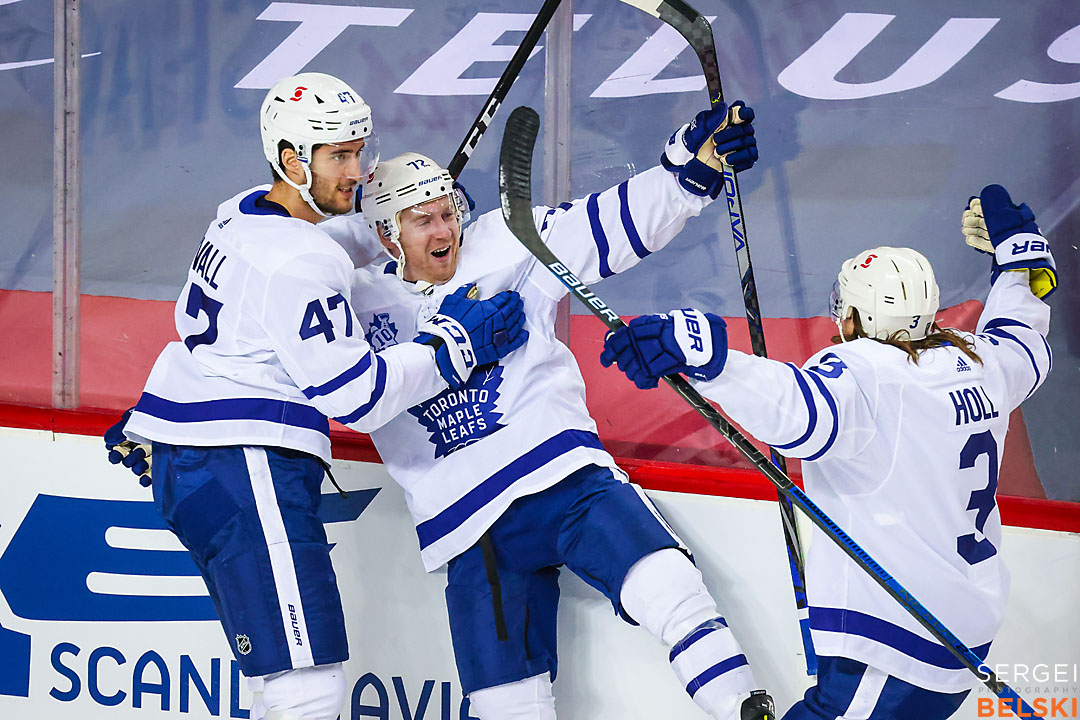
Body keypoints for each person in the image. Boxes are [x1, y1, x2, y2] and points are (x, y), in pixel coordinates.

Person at [330, 100, 774, 720]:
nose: (444, 233)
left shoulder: (506, 239)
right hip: (469, 527)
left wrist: (687, 171)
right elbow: (293, 335)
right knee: (503, 702)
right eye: (421, 221)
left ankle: (742, 708)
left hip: (561, 477)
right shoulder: (349, 299)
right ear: (383, 233)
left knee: (665, 580)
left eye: (447, 213)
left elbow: (611, 223)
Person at [104, 72, 527, 720]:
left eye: (360, 150)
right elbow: (359, 397)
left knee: (284, 680)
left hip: (190, 453)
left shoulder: (244, 210)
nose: (357, 169)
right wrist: (453, 348)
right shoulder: (300, 264)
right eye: (339, 156)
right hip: (244, 466)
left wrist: (390, 220)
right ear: (292, 159)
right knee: (306, 687)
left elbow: (320, 246)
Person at [600, 184, 1056, 719]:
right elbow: (1023, 336)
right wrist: (1022, 259)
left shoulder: (866, 374)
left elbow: (794, 411)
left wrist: (704, 354)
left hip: (896, 644)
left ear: (857, 319)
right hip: (959, 632)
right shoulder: (980, 360)